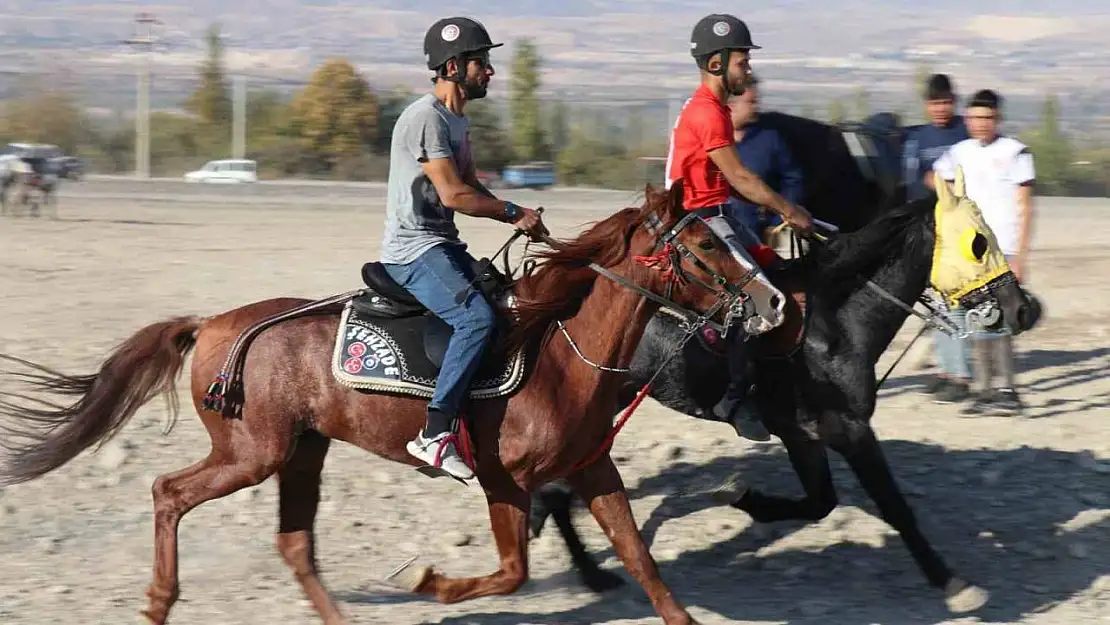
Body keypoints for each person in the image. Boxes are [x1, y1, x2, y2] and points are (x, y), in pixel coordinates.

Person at [380, 17, 547, 480]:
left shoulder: (456, 120)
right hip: (414, 250)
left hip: (444, 243)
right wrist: (513, 212)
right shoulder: (426, 119)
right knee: (475, 318)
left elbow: (471, 185)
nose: (490, 71)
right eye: (482, 63)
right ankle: (434, 433)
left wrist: (522, 216)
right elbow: (455, 195)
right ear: (453, 66)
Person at [666, 13, 814, 441]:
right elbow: (742, 178)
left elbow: (736, 187)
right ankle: (732, 397)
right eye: (742, 61)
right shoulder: (708, 113)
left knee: (779, 272)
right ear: (716, 64)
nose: (747, 70)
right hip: (698, 224)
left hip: (719, 215)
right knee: (759, 297)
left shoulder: (714, 110)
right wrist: (789, 209)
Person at [932, 89, 1034, 415]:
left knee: (999, 320)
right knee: (976, 321)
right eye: (974, 117)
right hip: (969, 251)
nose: (980, 123)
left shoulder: (1015, 152)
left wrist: (1019, 255)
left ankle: (1008, 390)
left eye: (987, 117)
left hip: (1001, 250)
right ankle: (985, 390)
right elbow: (937, 179)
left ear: (997, 119)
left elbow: (1025, 206)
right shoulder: (959, 151)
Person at [903, 74, 974, 404]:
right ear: (926, 105)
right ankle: (946, 370)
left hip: (961, 231)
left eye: (945, 102)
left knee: (959, 302)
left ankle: (962, 374)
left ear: (954, 102)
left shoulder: (967, 132)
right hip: (930, 230)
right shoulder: (918, 139)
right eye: (934, 102)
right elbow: (912, 186)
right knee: (938, 304)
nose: (940, 108)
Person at [725, 73, 805, 244]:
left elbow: (792, 179)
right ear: (731, 105)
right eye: (751, 102)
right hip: (720, 236)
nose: (756, 107)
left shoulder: (770, 138)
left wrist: (778, 223)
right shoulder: (711, 140)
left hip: (763, 237)